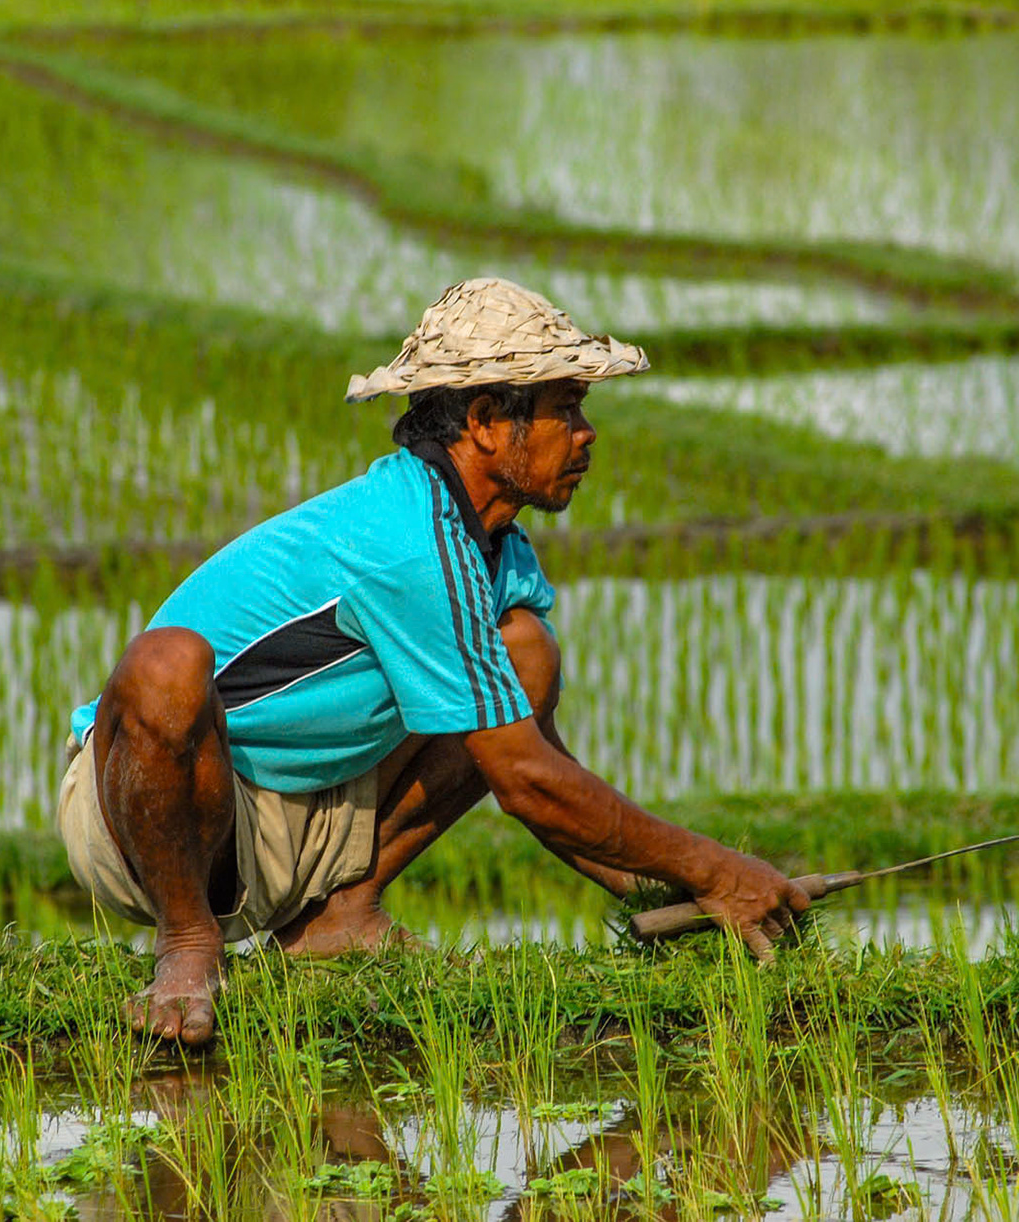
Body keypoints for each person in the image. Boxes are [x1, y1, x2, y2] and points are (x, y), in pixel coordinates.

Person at [56, 277, 810, 1045]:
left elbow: (534, 754)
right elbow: (523, 781)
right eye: (565, 408)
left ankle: (342, 913)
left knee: (525, 656)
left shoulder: (494, 546)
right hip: (157, 819)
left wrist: (679, 886)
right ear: (486, 422)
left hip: (305, 813)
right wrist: (718, 870)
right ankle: (187, 944)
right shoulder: (407, 537)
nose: (586, 433)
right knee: (165, 663)